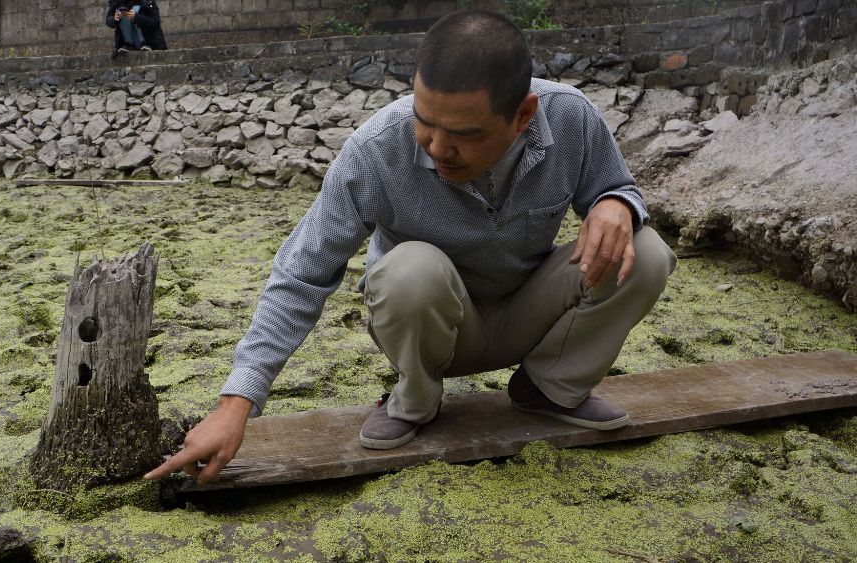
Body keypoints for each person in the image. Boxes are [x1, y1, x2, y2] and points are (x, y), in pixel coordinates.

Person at [145, 9, 677, 483]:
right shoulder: (377, 150)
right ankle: (415, 399)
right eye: (425, 123)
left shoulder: (572, 117)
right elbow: (302, 274)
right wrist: (237, 404)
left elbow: (619, 188)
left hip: (528, 313)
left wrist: (616, 203)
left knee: (647, 253)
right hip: (430, 323)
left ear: (522, 115)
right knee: (410, 269)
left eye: (464, 134)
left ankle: (549, 389)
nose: (438, 149)